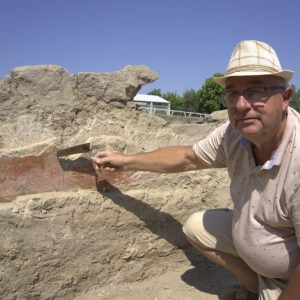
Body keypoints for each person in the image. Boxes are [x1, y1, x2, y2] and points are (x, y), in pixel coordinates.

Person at [93, 40, 300, 300]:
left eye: (256, 92)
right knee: (197, 227)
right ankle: (254, 287)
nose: (241, 105)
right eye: (233, 93)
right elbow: (188, 157)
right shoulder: (233, 135)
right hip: (260, 238)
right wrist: (126, 160)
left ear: (285, 98)